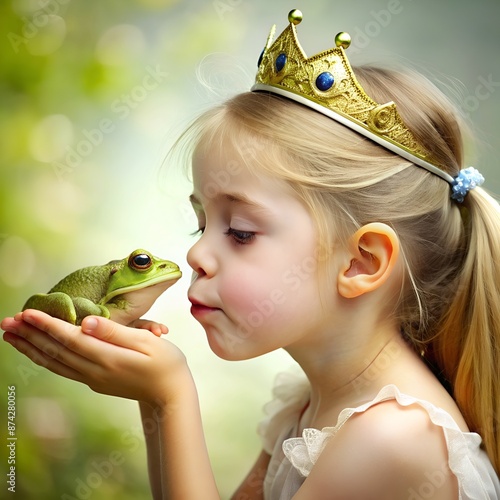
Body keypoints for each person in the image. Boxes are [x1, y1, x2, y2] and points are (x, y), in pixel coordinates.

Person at [2, 9, 500, 499]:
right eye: (201, 222)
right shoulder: (312, 402)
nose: (197, 251)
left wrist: (168, 397)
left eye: (239, 231)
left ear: (361, 263)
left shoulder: (392, 439)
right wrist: (152, 398)